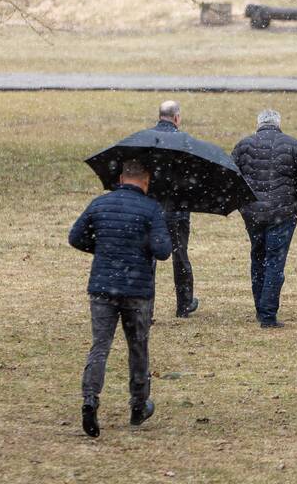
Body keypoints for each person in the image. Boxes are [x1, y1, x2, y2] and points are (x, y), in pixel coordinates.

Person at [69, 159, 171, 438]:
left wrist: (104, 249)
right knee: (138, 347)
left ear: (121, 177)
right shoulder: (151, 209)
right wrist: (146, 243)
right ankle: (138, 405)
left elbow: (75, 237)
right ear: (146, 180)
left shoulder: (100, 204)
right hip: (137, 290)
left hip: (102, 287)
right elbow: (163, 251)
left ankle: (90, 399)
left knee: (100, 346)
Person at [231, 109, 297, 328]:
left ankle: (261, 308)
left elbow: (231, 176)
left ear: (258, 124)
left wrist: (242, 205)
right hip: (282, 213)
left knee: (257, 257)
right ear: (278, 124)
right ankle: (268, 314)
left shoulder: (243, 145)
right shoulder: (293, 145)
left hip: (253, 214)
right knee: (275, 262)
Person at [147, 100, 200, 318]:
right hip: (177, 209)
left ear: (160, 116)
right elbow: (192, 177)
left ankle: (146, 309)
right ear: (177, 117)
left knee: (148, 258)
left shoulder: (146, 140)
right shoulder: (185, 142)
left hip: (150, 209)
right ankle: (184, 304)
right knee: (180, 255)